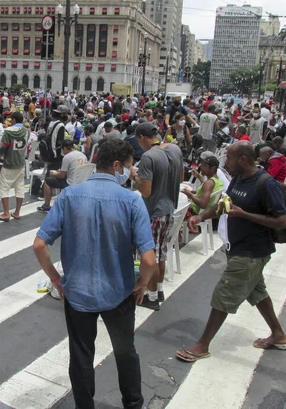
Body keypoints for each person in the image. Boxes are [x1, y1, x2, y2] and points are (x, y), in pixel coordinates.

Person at [33, 139, 156, 409]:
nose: (129, 172)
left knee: (81, 355)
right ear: (115, 165)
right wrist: (142, 284)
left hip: (77, 291)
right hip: (120, 291)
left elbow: (40, 244)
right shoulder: (132, 201)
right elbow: (149, 259)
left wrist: (55, 278)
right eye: (127, 166)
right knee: (125, 352)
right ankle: (133, 404)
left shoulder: (69, 195)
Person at [176, 141, 286, 363]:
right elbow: (224, 205)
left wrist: (245, 215)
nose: (225, 162)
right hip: (237, 247)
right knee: (258, 292)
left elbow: (281, 221)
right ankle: (278, 334)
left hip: (252, 252)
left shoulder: (266, 184)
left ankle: (202, 344)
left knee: (224, 294)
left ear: (243, 160)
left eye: (229, 158)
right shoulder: (238, 179)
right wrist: (201, 216)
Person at [131, 122, 183, 309]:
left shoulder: (148, 157)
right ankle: (158, 290)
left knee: (149, 256)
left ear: (142, 138)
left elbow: (145, 191)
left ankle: (151, 298)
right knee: (160, 254)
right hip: (170, 209)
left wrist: (134, 176)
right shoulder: (175, 149)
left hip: (154, 212)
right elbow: (182, 178)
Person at [0, 112, 29, 221]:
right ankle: (17, 212)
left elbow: (1, 149)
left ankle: (6, 213)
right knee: (20, 188)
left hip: (9, 164)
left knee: (4, 188)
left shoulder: (7, 132)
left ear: (13, 120)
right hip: (21, 163)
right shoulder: (27, 132)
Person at [38, 140, 88, 212]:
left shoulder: (67, 157)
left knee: (47, 181)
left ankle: (46, 205)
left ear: (64, 148)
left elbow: (61, 175)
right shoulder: (83, 155)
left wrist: (54, 173)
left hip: (71, 183)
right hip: (82, 182)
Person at [182, 152, 224, 220]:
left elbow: (203, 204)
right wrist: (198, 176)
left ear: (212, 168)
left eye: (204, 165)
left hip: (193, 212)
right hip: (204, 212)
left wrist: (190, 195)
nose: (201, 167)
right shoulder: (218, 181)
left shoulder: (208, 183)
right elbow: (206, 191)